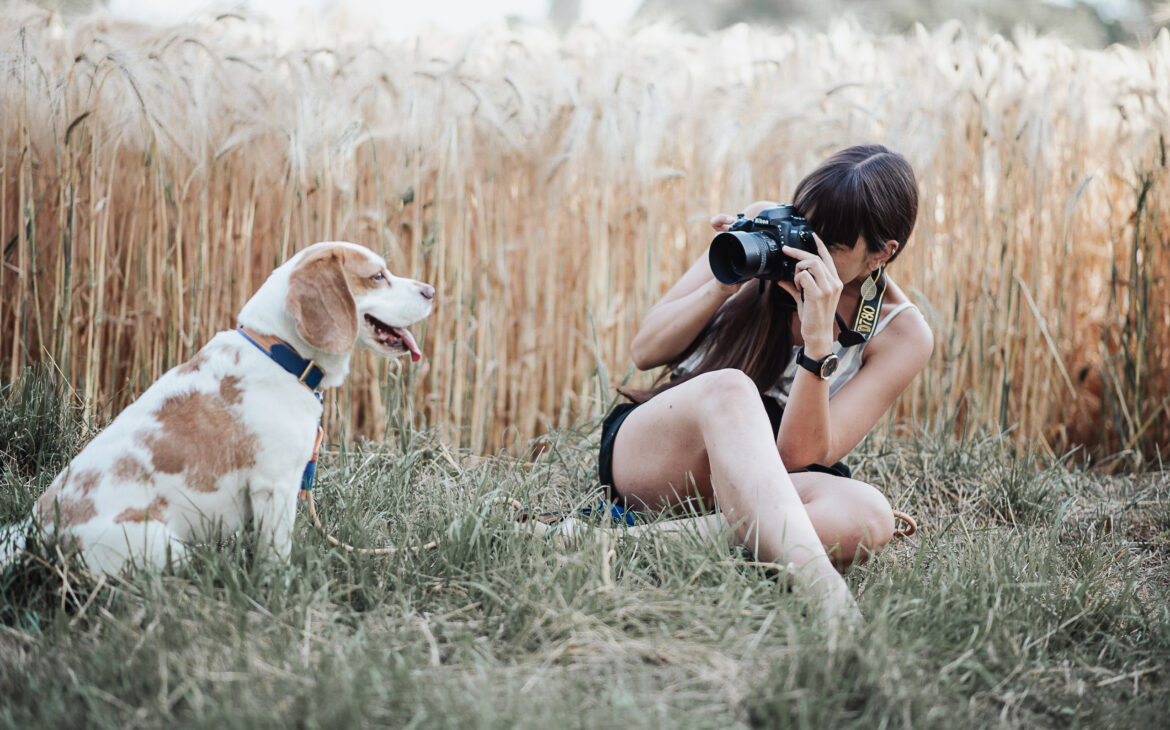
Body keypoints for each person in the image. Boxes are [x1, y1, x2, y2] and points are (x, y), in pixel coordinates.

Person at [595, 145, 933, 622]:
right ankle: (831, 603)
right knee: (733, 389)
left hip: (772, 469)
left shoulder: (902, 333)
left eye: (831, 244)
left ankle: (618, 543)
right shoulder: (765, 228)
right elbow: (646, 351)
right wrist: (724, 280)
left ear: (882, 253)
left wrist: (819, 343)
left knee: (869, 514)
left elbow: (798, 458)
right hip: (670, 443)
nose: (803, 250)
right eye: (805, 226)